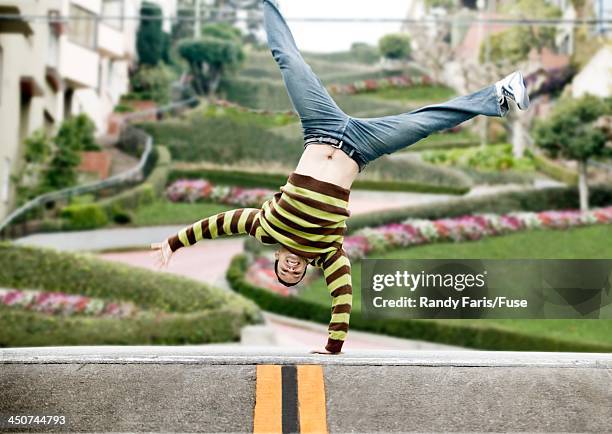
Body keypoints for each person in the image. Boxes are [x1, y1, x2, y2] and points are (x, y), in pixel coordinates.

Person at [151, 0, 530, 355]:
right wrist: (333, 347)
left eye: (285, 269)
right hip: (361, 147)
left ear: (278, 258)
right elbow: (343, 297)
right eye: (294, 276)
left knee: (290, 63)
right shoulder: (326, 255)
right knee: (424, 122)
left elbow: (217, 224)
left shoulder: (263, 228)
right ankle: (499, 94)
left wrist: (173, 242)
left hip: (320, 128)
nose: (292, 269)